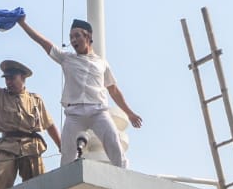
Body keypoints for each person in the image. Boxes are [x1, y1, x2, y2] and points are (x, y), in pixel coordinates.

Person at [16, 16, 142, 167]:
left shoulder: (101, 63)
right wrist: (23, 24)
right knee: (67, 152)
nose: (73, 40)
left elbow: (114, 90)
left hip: (98, 111)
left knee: (114, 142)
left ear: (88, 36)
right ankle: (64, 183)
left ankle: (123, 175)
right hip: (74, 113)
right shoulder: (66, 58)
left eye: (77, 36)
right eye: (71, 37)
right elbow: (43, 43)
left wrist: (130, 113)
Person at [0, 47, 62, 189]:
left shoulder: (35, 100)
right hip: (8, 145)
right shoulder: (0, 95)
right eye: (6, 78)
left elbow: (49, 125)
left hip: (31, 146)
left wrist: (61, 146)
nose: (9, 82)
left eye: (12, 78)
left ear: (23, 78)